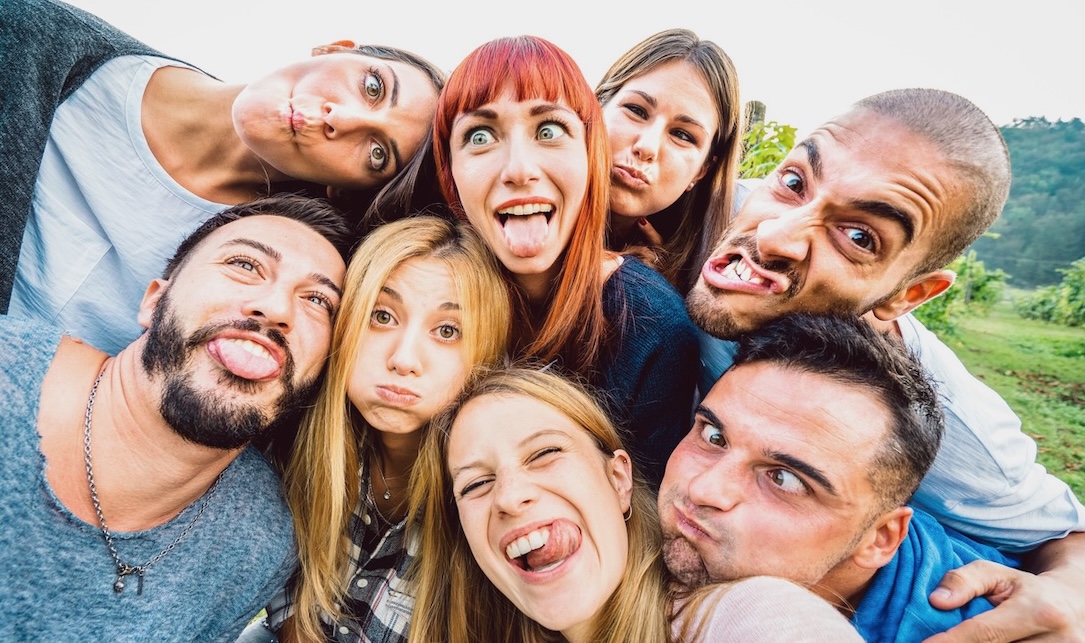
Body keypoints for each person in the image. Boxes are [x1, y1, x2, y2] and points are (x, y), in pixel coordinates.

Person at [685, 87, 1085, 640]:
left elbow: (1077, 538)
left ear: (908, 293)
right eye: (793, 182)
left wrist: (1075, 595)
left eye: (859, 237)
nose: (774, 235)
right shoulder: (714, 213)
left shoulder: (943, 423)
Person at [0, 194, 352, 641]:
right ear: (154, 301)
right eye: (245, 265)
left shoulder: (261, 539)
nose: (277, 309)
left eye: (319, 300)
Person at [1, 0, 445, 354]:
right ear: (334, 47)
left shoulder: (273, 275)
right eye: (373, 87)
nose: (341, 118)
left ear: (343, 187)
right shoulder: (27, 35)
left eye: (376, 154)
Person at [408, 366, 863, 642]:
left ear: (619, 478)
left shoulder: (734, 618)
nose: (508, 497)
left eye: (545, 453)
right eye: (475, 485)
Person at [431, 35, 699, 485]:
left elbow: (648, 521)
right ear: (450, 174)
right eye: (480, 136)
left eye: (549, 130)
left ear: (591, 154)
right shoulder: (428, 291)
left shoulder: (655, 328)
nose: (518, 168)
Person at [662, 313, 1027, 641]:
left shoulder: (974, 627)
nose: (703, 489)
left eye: (784, 479)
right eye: (714, 436)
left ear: (879, 539)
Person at [261, 216, 510, 643]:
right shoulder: (295, 440)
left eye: (447, 331)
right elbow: (287, 603)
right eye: (382, 315)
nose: (404, 359)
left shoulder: (490, 503)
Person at [595, 28, 743, 295]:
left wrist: (655, 299)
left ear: (702, 170)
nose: (647, 147)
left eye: (682, 135)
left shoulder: (690, 287)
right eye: (636, 110)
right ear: (598, 106)